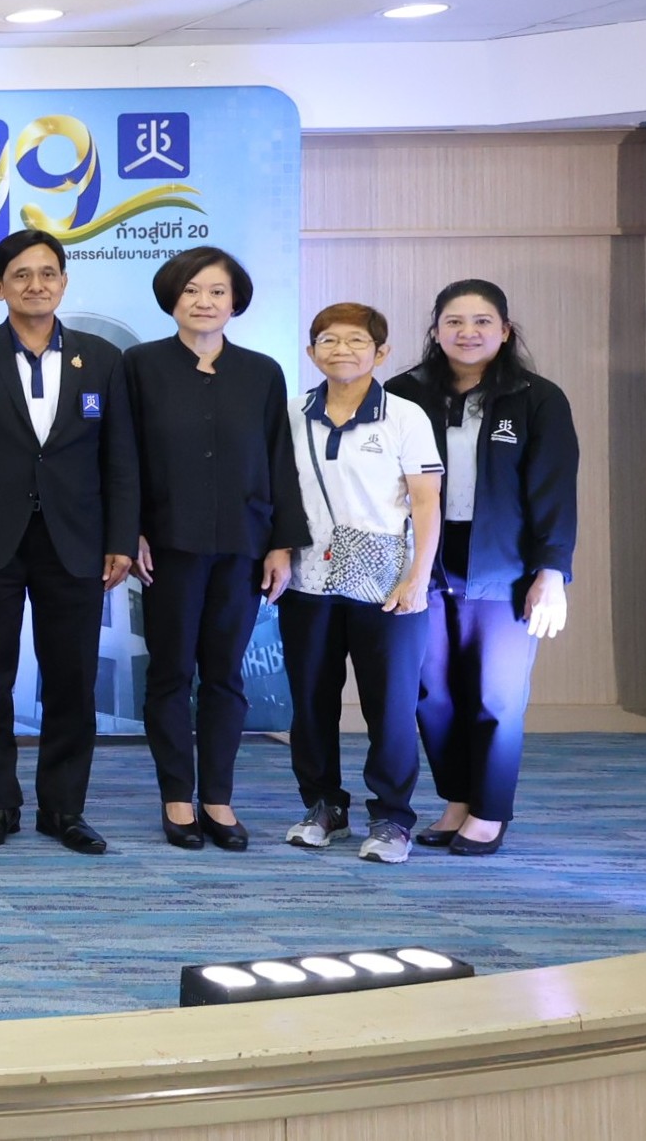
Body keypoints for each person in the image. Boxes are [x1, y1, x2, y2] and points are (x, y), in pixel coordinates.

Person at [0, 230, 137, 856]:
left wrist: (120, 537)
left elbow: (120, 457)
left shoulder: (101, 357)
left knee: (72, 679)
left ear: (64, 282)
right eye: (21, 275)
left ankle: (64, 808)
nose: (36, 285)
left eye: (48, 273)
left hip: (75, 540)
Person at [121, 246, 307, 851]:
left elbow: (279, 460)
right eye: (192, 290)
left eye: (217, 291)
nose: (204, 302)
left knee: (225, 676)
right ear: (172, 298)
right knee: (171, 673)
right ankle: (177, 796)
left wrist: (282, 543)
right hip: (168, 545)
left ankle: (218, 799)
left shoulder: (261, 372)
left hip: (244, 546)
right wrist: (129, 530)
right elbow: (123, 456)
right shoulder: (140, 365)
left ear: (235, 302)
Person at [387, 279, 577, 857]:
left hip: (504, 563)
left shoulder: (537, 398)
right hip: (425, 560)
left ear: (505, 331)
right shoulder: (402, 393)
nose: (467, 333)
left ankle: (489, 811)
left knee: (496, 696)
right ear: (435, 330)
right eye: (454, 322)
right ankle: (457, 799)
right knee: (432, 693)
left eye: (482, 322)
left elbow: (554, 494)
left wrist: (551, 573)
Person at [280, 303, 442, 864]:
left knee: (390, 706)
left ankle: (392, 817)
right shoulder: (293, 412)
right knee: (311, 700)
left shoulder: (404, 416)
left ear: (381, 352)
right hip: (308, 578)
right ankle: (324, 805)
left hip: (388, 583)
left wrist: (418, 577)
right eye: (328, 340)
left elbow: (426, 502)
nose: (341, 350)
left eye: (356, 340)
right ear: (311, 352)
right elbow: (278, 493)